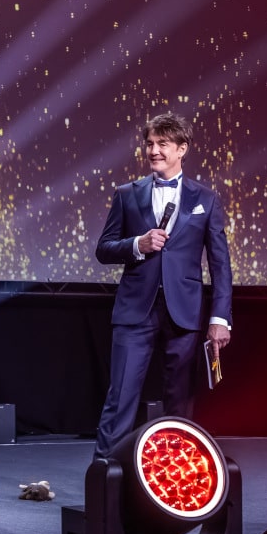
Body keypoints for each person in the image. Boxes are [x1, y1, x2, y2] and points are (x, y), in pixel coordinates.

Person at [93, 111, 232, 458]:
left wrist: (219, 318)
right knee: (120, 398)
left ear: (182, 149)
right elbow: (104, 249)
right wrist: (137, 244)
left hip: (184, 313)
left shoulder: (206, 199)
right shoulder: (127, 194)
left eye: (163, 144)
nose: (153, 150)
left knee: (180, 403)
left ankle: (176, 477)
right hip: (135, 311)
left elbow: (220, 265)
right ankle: (104, 476)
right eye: (150, 143)